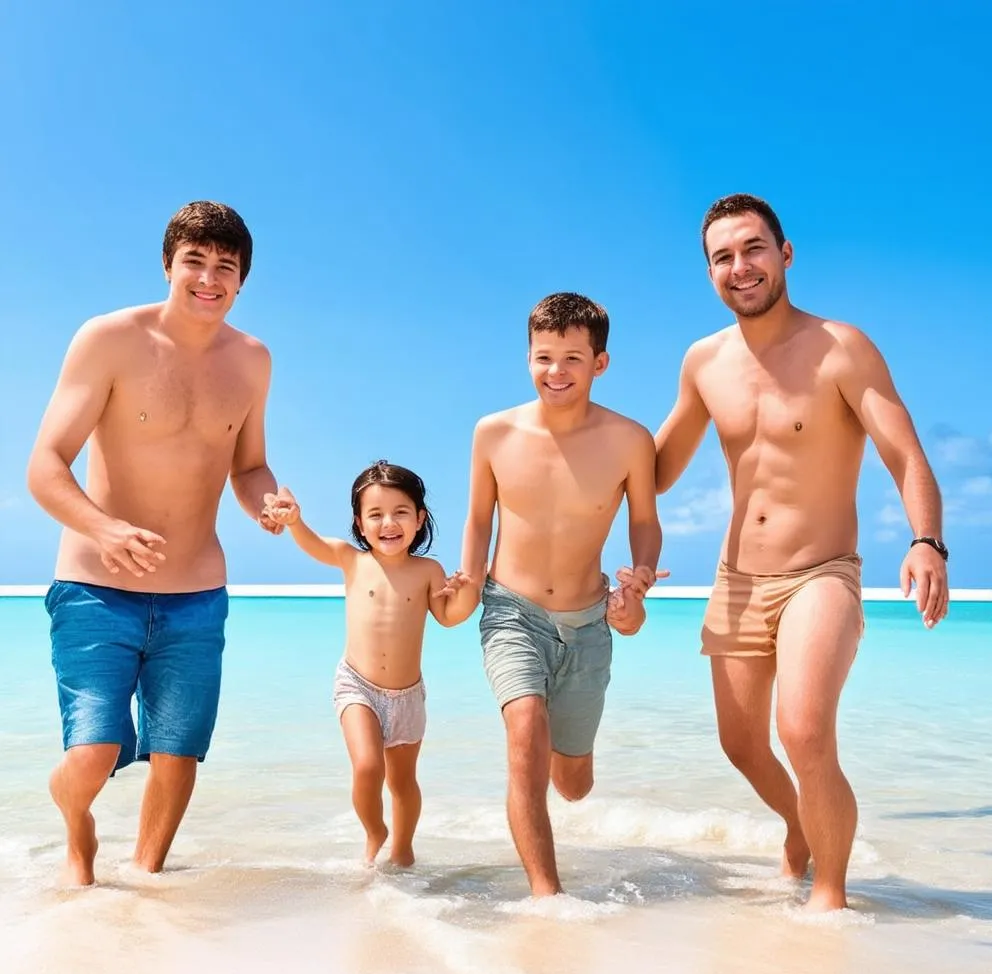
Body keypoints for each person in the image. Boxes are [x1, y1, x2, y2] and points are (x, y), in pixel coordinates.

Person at [654, 193, 949, 912]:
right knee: (741, 744)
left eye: (753, 248)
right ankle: (798, 825)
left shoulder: (840, 347)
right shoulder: (703, 363)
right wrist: (574, 431)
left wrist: (926, 541)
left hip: (821, 572)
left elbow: (904, 454)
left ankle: (831, 899)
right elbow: (654, 470)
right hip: (737, 578)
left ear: (785, 255)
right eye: (722, 257)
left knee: (804, 728)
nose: (740, 266)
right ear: (709, 273)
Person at [27, 200, 285, 887]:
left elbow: (249, 465)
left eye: (224, 267)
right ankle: (75, 825)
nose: (208, 278)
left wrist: (269, 503)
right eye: (193, 262)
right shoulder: (109, 338)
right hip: (94, 587)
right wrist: (104, 527)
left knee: (178, 754)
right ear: (168, 265)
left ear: (241, 280)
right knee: (94, 753)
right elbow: (45, 463)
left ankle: (146, 883)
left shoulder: (254, 361)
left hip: (195, 593)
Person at [460, 292, 666, 897]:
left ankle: (558, 762)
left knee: (573, 782)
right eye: (544, 356)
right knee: (525, 732)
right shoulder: (493, 432)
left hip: (588, 619)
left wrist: (643, 574)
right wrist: (470, 580)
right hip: (511, 611)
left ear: (599, 363)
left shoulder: (629, 439)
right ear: (528, 356)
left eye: (572, 358)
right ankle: (547, 896)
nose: (557, 371)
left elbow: (645, 521)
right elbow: (477, 518)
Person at [264, 461, 477, 866]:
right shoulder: (352, 560)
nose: (388, 523)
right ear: (360, 524)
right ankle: (374, 830)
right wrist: (295, 522)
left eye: (400, 512)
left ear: (419, 519)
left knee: (402, 781)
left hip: (407, 695)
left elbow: (449, 617)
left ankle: (403, 848)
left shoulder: (427, 570)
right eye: (375, 514)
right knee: (366, 766)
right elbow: (314, 545)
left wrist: (467, 591)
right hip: (356, 685)